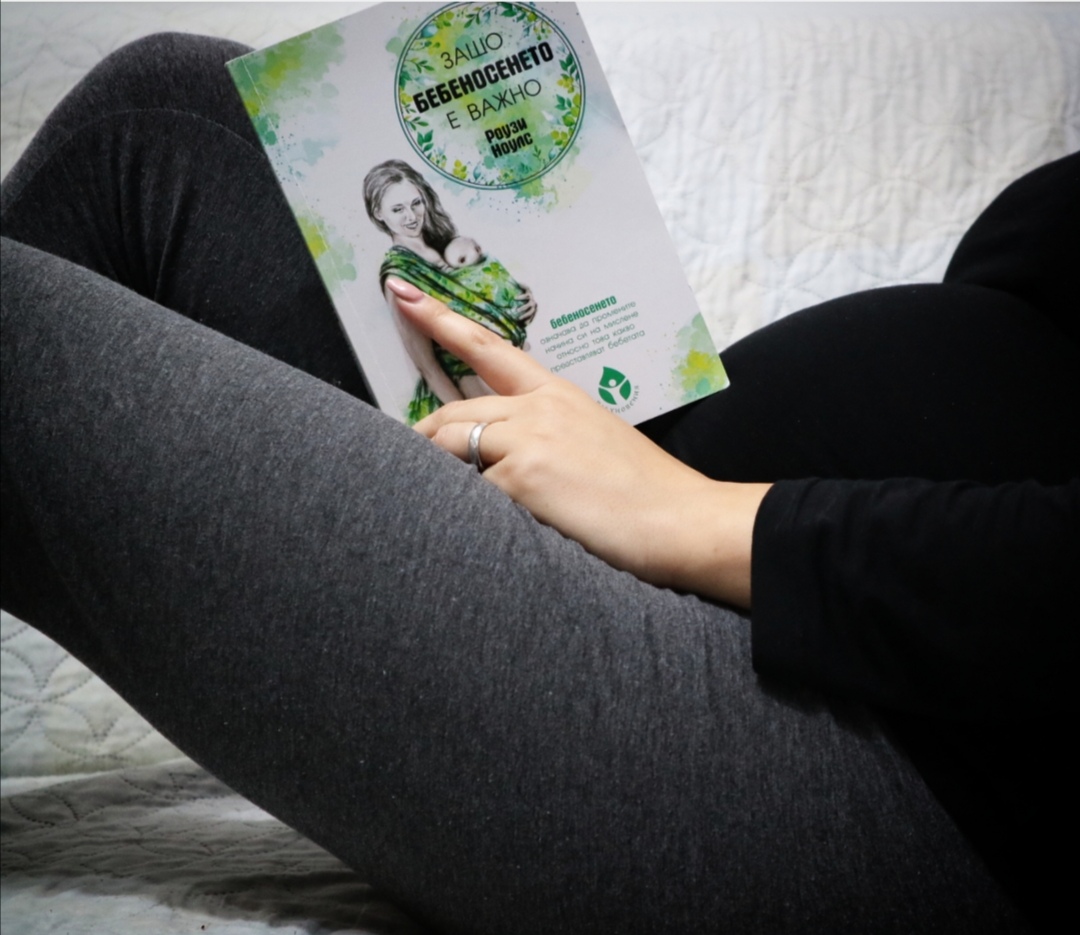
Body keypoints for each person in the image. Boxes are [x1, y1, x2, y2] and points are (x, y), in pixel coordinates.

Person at [1, 32, 1076, 935]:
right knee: (157, 121)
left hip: (920, 749)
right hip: (780, 562)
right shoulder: (416, 256)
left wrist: (696, 515)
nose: (406, 210)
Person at [363, 159, 537, 423]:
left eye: (416, 203)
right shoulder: (399, 275)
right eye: (397, 209)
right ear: (378, 213)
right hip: (480, 393)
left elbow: (487, 291)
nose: (411, 216)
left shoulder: (448, 245)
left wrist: (522, 298)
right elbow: (428, 368)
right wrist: (475, 425)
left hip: (520, 370)